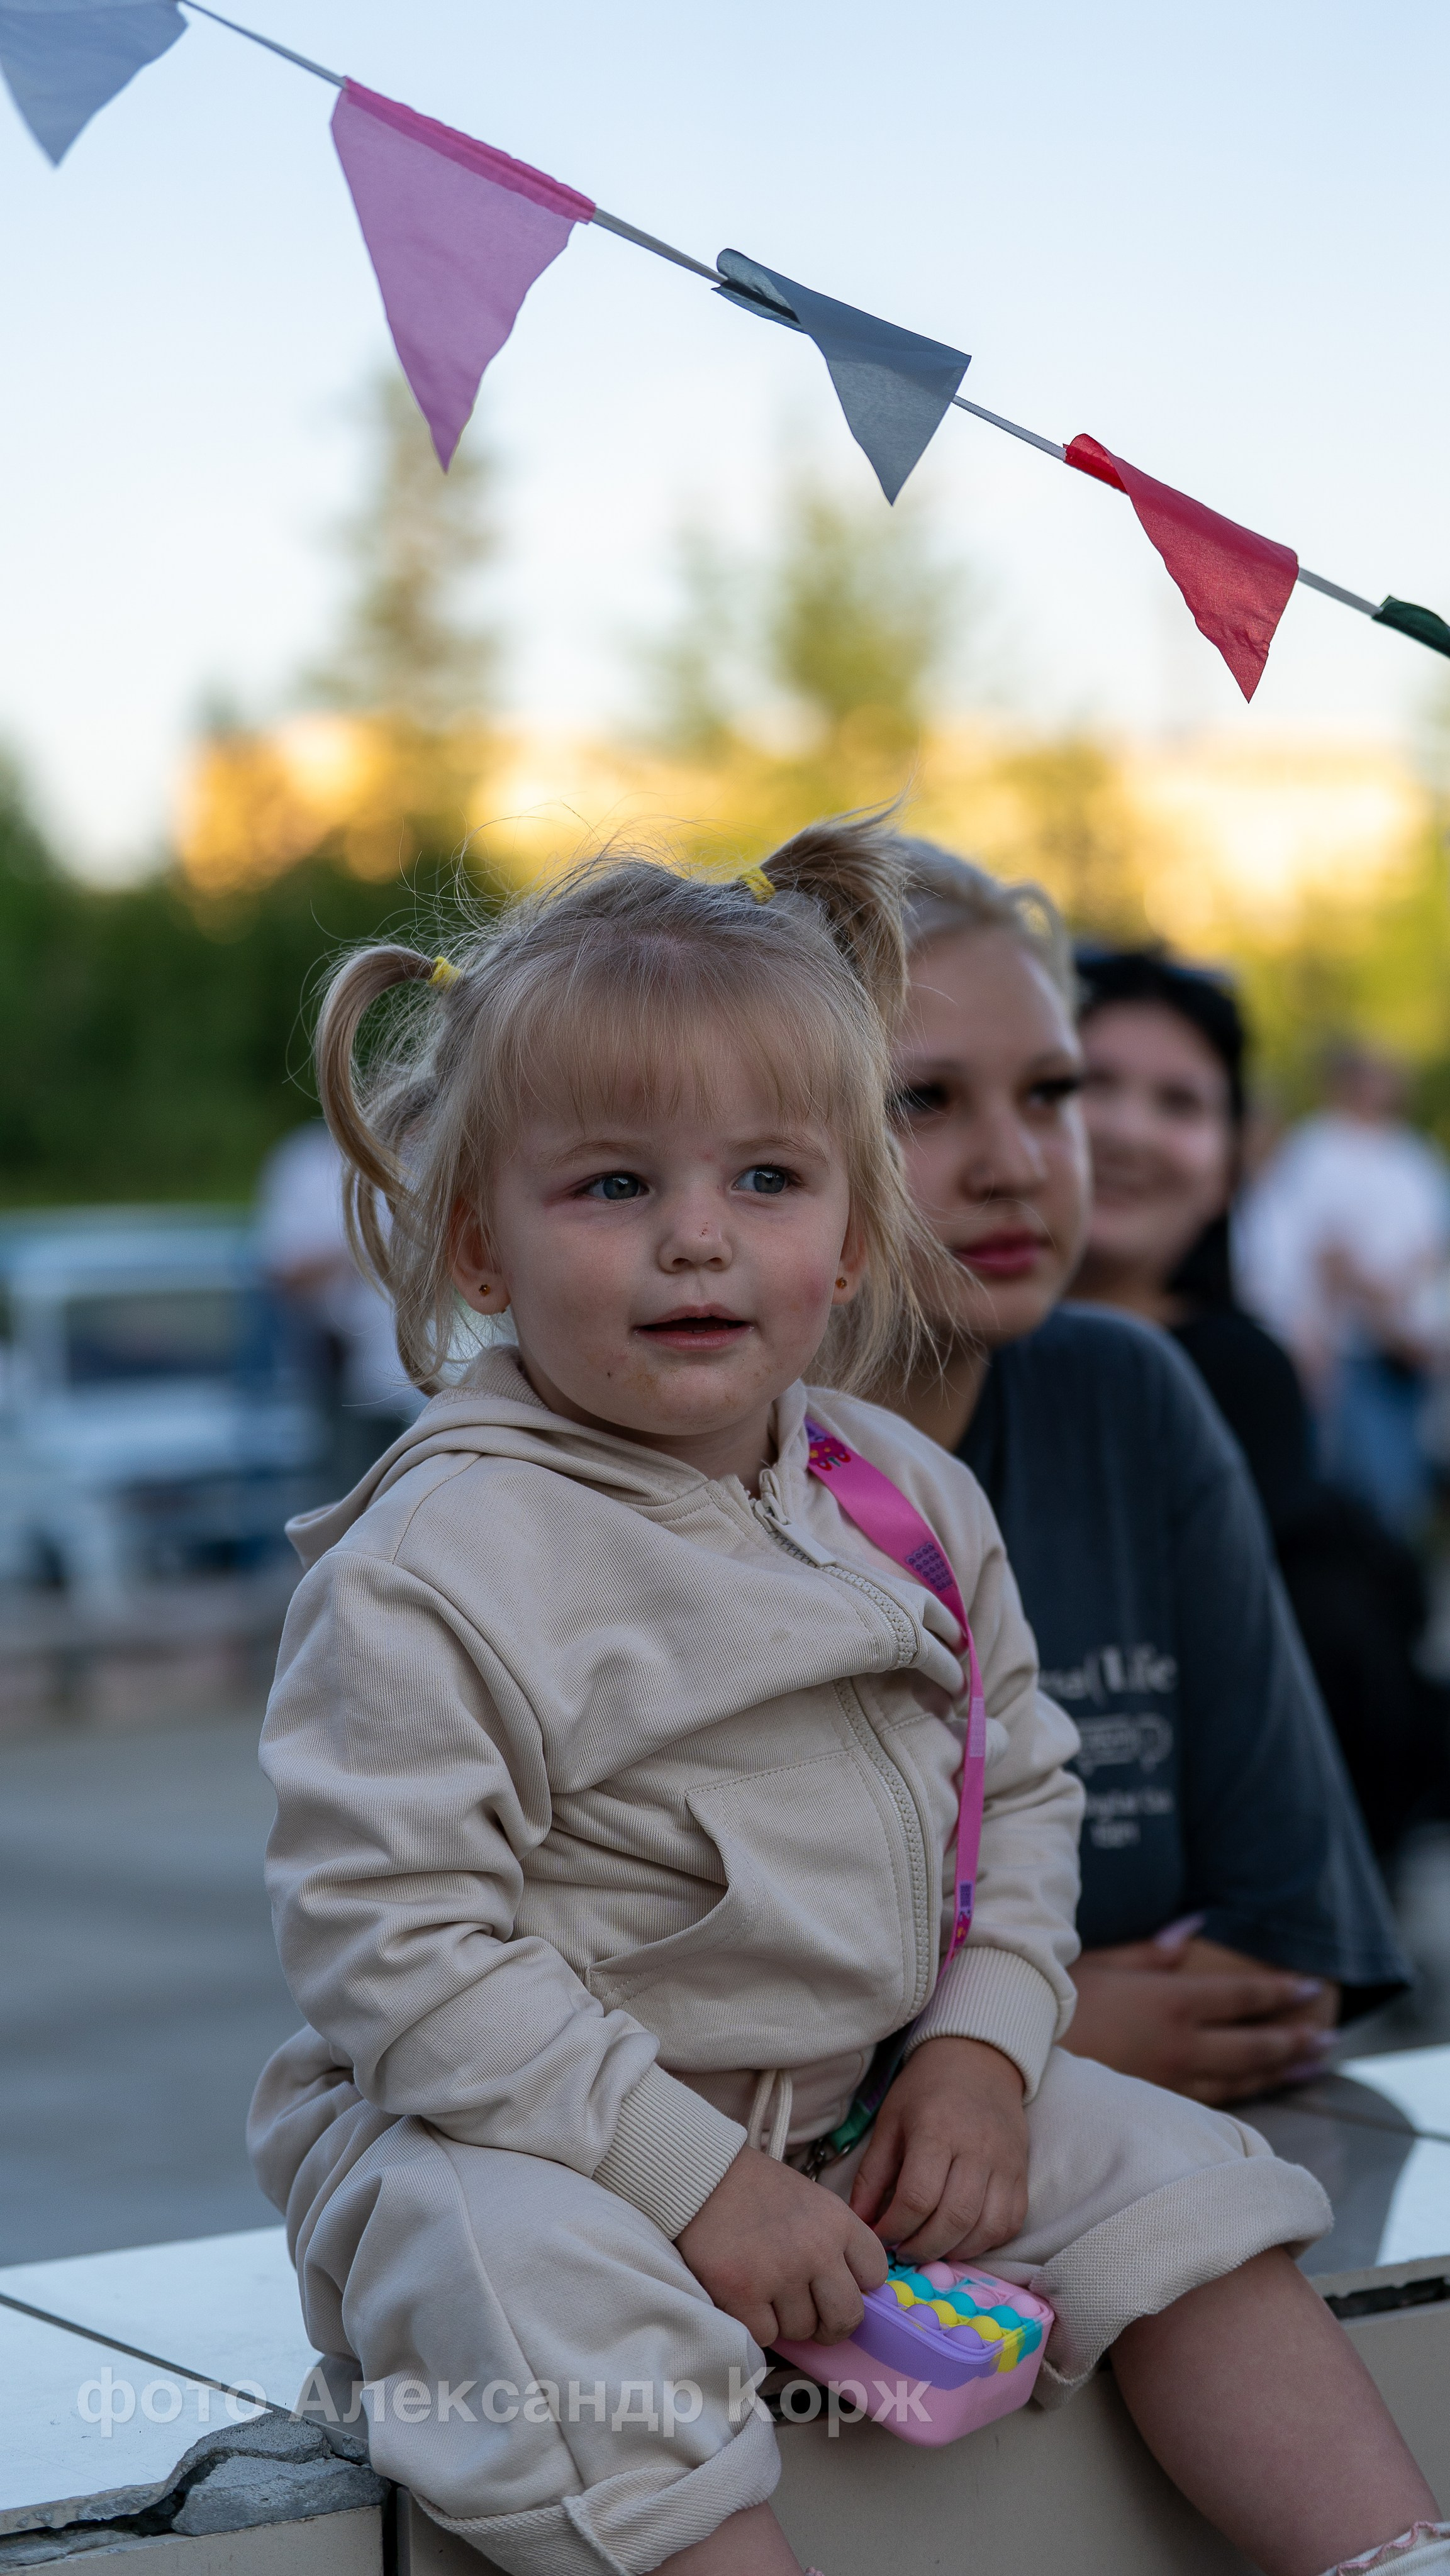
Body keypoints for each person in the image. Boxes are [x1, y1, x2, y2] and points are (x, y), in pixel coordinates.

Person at [247, 820, 1437, 2576]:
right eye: (613, 1187)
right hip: (515, 2136)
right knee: (541, 2312)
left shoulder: (898, 1498)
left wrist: (979, 2047)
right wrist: (693, 2182)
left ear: (857, 1231)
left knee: (1183, 2189)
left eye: (766, 1182)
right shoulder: (439, 1557)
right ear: (480, 1250)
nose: (698, 1245)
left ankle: (1387, 2549)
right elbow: (398, 1947)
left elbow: (1017, 1795)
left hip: (859, 2095)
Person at [886, 841, 1408, 2112]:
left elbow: (1297, 1955)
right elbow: (622, 2041)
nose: (1017, 1160)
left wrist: (977, 2033)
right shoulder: (668, 1466)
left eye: (1048, 1089)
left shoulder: (1129, 1390)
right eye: (924, 1100)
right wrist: (1035, 2031)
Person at [1069, 947, 1448, 1858]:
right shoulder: (901, 1349)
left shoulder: (1238, 1375)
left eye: (1180, 1103)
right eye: (1087, 1084)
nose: (1125, 1131)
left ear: (1230, 1158)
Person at [1238, 1043, 1450, 1541]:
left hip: (1415, 1346)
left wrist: (1412, 1307)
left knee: (1405, 1485)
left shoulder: (1410, 1154)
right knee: (1364, 1483)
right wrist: (1380, 1312)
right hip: (1349, 1347)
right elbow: (1313, 1246)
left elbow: (1432, 1241)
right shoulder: (1316, 1149)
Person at [256, 1120, 425, 1491]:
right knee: (349, 1489)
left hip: (409, 1369)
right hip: (337, 1366)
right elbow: (284, 1272)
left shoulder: (409, 1160)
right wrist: (359, 1250)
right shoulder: (304, 1164)